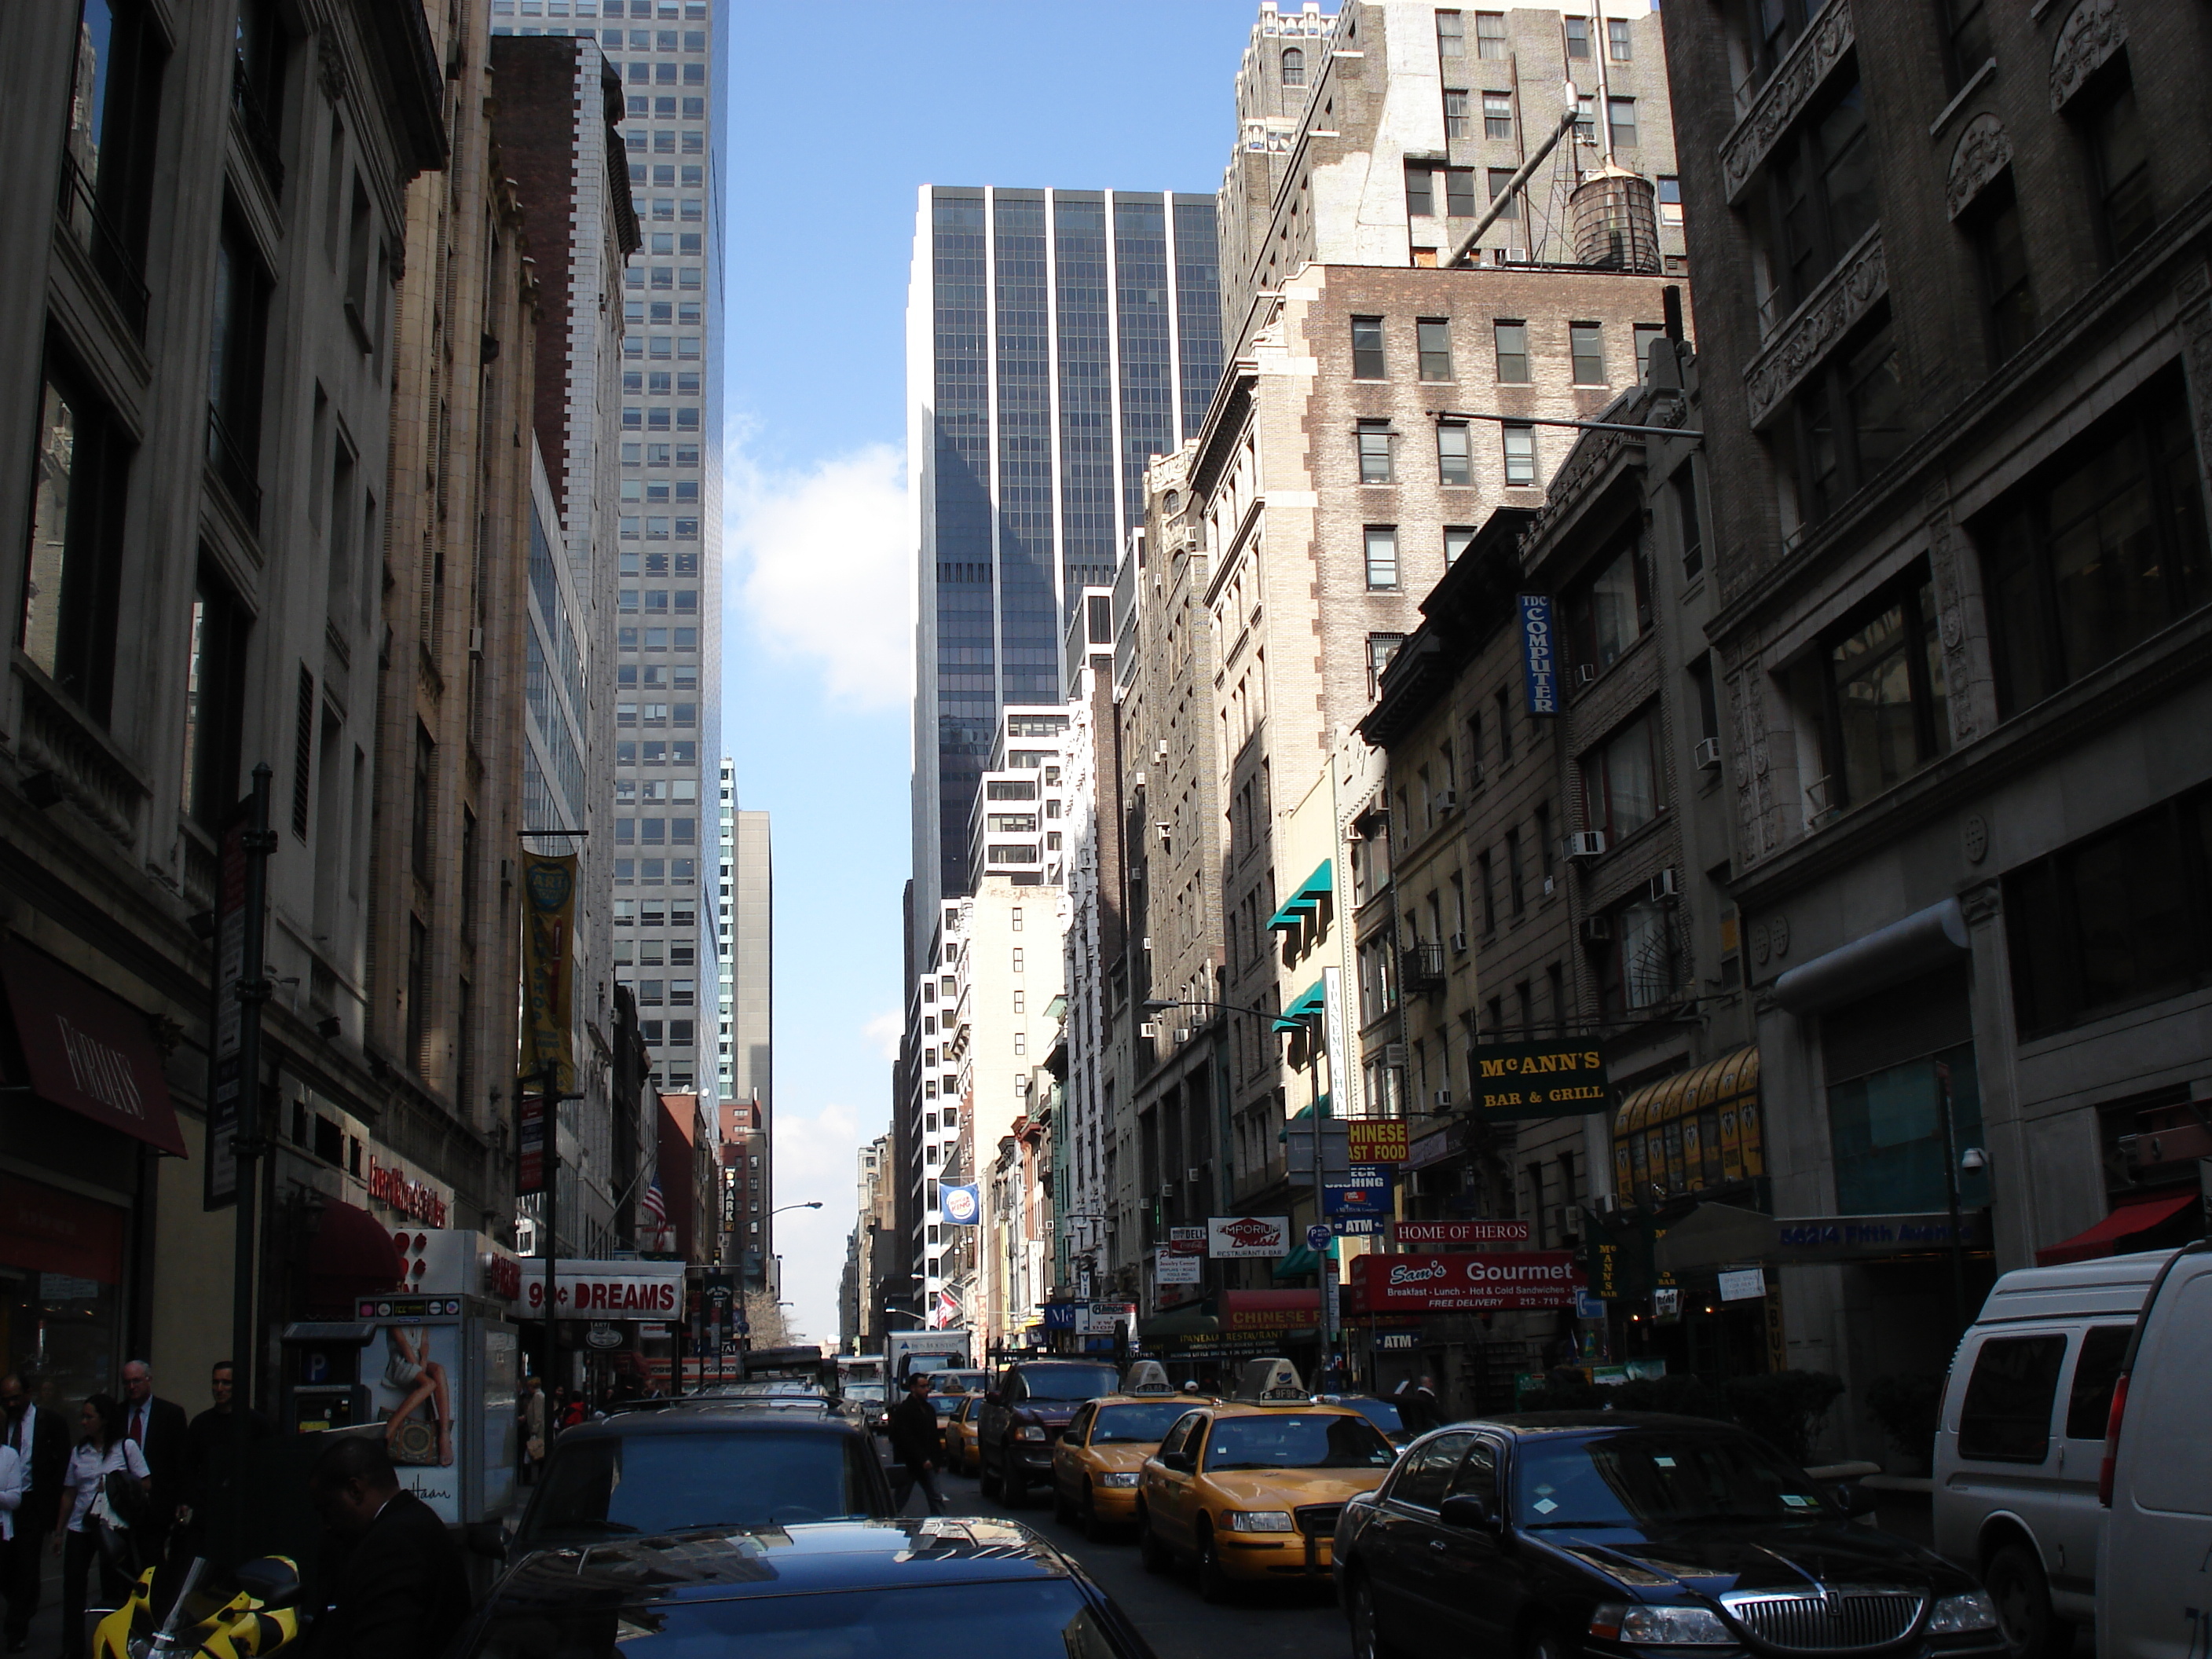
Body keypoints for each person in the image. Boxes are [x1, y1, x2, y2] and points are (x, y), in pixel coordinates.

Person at [301, 1437, 470, 1659]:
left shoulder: (393, 1545)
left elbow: (383, 1644)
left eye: (328, 1509)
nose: (327, 1525)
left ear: (355, 1491)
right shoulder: (409, 1525)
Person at [57, 1394, 149, 1659]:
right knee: (73, 1585)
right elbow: (69, 1492)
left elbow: (145, 1482)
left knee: (113, 1587)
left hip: (112, 1526)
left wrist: (118, 1485)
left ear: (104, 1420)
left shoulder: (125, 1447)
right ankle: (71, 1648)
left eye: (89, 1416)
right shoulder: (79, 1451)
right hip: (81, 1525)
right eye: (83, 1416)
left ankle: (112, 1644)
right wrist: (59, 1530)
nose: (84, 1422)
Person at [178, 1361, 269, 1562]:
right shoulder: (201, 1424)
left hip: (244, 1516)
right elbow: (188, 1467)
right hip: (208, 1514)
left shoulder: (256, 1424)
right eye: (216, 1382)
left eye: (226, 1383)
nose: (219, 1389)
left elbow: (267, 1470)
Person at [2, 1373, 66, 1654]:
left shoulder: (49, 1422)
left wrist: (54, 1517)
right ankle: (24, 1603)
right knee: (6, 1569)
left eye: (16, 1398)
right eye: (6, 1400)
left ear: (29, 1394)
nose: (12, 1404)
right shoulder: (3, 1422)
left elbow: (60, 1466)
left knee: (27, 1567)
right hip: (5, 1505)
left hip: (32, 1505)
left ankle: (16, 1629)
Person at [118, 1361, 187, 1568]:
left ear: (149, 1380)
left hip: (157, 1502)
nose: (132, 1387)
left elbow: (181, 1459)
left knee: (153, 1562)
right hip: (123, 1505)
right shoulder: (117, 1414)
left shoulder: (170, 1414)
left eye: (136, 1381)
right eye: (127, 1382)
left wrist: (182, 1499)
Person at [885, 1374, 946, 1517]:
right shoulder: (904, 1411)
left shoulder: (929, 1409)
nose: (927, 1390)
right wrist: (921, 1459)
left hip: (928, 1464)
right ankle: (888, 1522)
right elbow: (904, 1439)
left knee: (936, 1497)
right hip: (908, 1464)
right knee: (900, 1499)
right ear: (913, 1388)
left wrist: (937, 1462)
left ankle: (941, 1526)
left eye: (927, 1386)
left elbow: (933, 1437)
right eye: (923, 1387)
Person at [518, 1377, 546, 1486]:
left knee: (537, 1452)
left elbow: (538, 1415)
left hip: (538, 1430)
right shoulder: (538, 1396)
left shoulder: (538, 1397)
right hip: (537, 1429)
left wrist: (534, 1429)